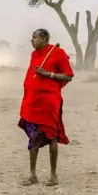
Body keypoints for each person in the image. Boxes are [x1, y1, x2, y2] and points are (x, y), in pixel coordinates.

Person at [19, 28, 74, 186]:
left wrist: (48, 74)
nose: (32, 40)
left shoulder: (57, 53)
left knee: (51, 136)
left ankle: (53, 175)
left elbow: (68, 76)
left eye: (34, 37)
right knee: (33, 136)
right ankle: (32, 175)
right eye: (32, 37)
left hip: (49, 102)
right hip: (32, 102)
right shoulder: (34, 54)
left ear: (44, 38)